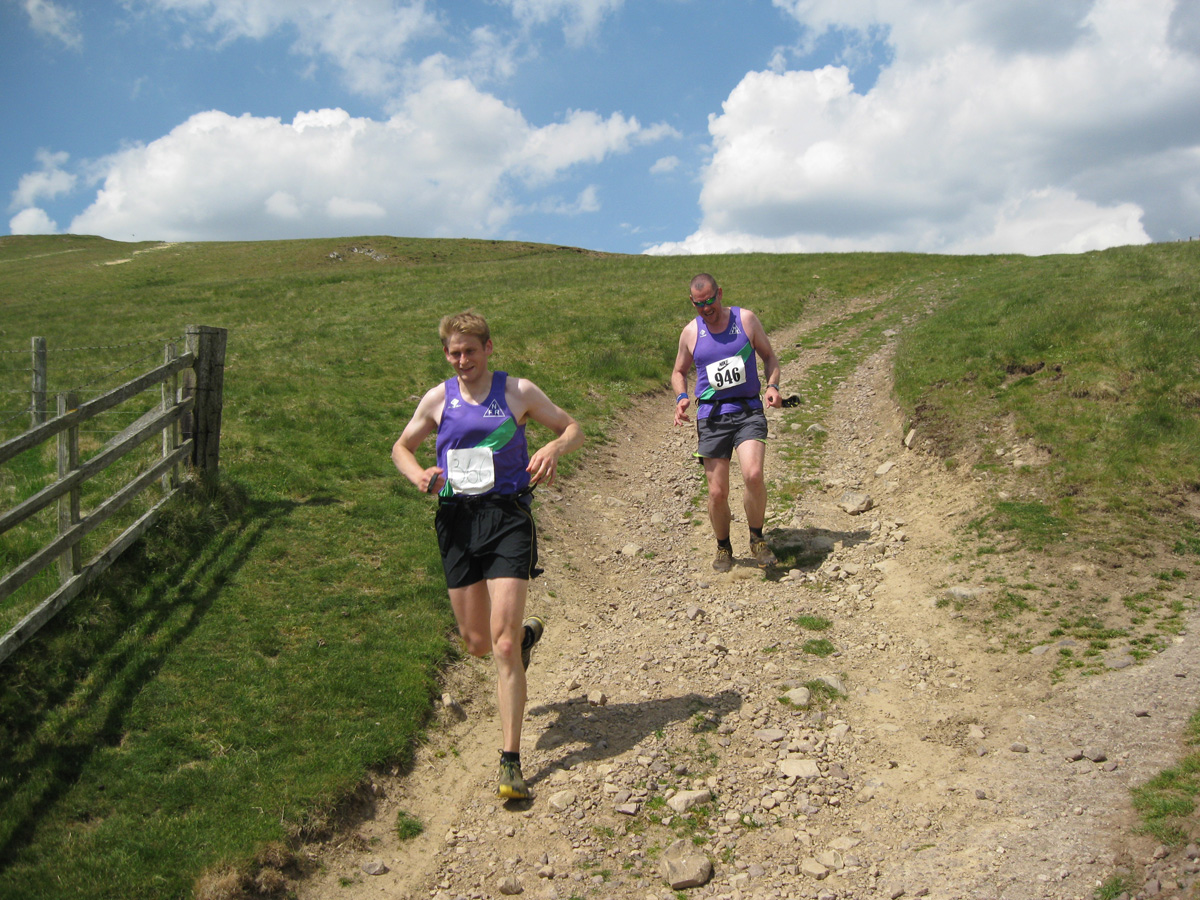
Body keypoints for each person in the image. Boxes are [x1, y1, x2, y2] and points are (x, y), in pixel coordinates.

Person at [392, 311, 583, 800]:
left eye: (470, 351)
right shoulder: (438, 399)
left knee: (498, 649)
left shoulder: (517, 390)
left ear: (488, 348)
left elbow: (571, 426)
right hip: (456, 522)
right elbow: (401, 446)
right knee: (478, 642)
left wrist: (555, 449)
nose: (462, 360)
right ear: (446, 354)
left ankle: (511, 761)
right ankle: (521, 640)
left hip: (507, 518)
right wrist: (417, 474)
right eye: (453, 353)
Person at [671, 274, 783, 572]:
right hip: (712, 416)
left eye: (710, 300)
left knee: (753, 474)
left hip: (748, 411)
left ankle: (757, 538)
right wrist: (681, 396)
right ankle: (723, 546)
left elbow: (770, 357)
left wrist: (772, 387)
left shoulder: (745, 320)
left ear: (720, 293)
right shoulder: (690, 333)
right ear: (692, 303)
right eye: (699, 304)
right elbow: (678, 371)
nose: (706, 308)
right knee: (717, 492)